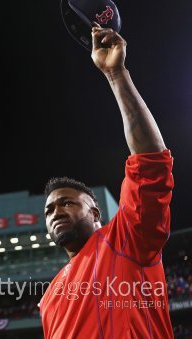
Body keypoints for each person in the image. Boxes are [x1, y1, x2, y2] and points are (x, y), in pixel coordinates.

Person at [39, 23, 174, 338]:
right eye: (48, 210)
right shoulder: (49, 298)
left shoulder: (127, 240)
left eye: (67, 202)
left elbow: (151, 162)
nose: (55, 211)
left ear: (96, 213)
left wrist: (116, 75)